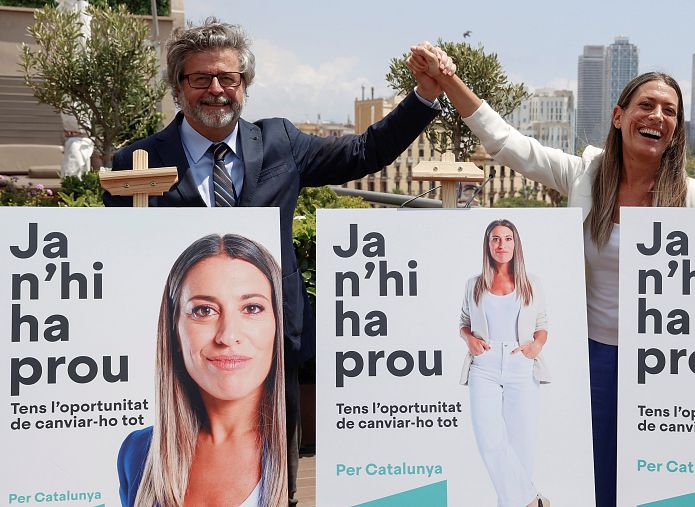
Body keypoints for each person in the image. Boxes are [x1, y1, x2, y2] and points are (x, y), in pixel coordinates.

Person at [102, 20, 453, 502]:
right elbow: (121, 261)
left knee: (275, 486)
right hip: (188, 363)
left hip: (272, 355)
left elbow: (363, 152)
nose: (216, 90)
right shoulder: (137, 163)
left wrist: (424, 96)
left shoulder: (279, 142)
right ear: (178, 86)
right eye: (201, 78)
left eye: (229, 78)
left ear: (244, 85)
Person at [408, 45, 695, 506]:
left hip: (657, 364)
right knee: (590, 474)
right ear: (618, 116)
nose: (657, 116)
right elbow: (505, 142)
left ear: (676, 130)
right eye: (646, 105)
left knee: (646, 477)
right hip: (587, 357)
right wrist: (448, 80)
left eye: (670, 111)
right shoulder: (583, 176)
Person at [117, 234, 287, 506]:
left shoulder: (311, 451)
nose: (228, 335)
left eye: (252, 308)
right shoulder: (138, 452)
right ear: (174, 329)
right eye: (204, 310)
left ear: (279, 323)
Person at [459, 219, 550, 507]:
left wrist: (535, 346)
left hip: (520, 363)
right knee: (489, 438)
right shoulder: (474, 284)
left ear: (516, 243)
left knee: (521, 445)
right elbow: (464, 322)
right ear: (488, 245)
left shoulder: (531, 283)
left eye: (507, 239)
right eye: (496, 239)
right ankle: (530, 500)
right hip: (483, 365)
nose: (502, 245)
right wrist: (469, 339)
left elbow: (542, 324)